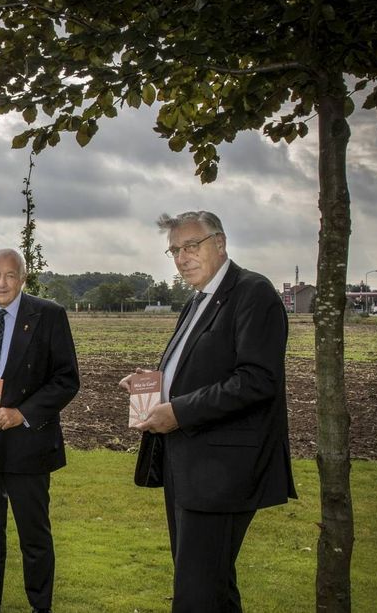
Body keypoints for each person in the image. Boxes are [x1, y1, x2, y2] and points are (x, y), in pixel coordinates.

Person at [120, 211, 296, 613]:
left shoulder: (253, 292)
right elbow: (198, 369)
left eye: (191, 246)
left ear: (221, 242)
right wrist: (153, 383)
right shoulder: (198, 300)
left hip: (222, 471)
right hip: (187, 466)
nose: (182, 258)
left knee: (196, 594)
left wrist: (178, 411)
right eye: (175, 250)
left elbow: (256, 380)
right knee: (212, 587)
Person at [0, 248, 80, 613]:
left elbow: (67, 380)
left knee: (34, 537)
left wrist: (21, 413)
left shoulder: (49, 314)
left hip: (28, 443)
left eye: (10, 275)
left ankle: (41, 607)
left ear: (23, 278)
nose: (1, 282)